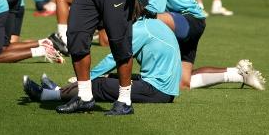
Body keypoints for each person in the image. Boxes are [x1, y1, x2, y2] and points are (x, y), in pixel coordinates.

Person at [23, 14, 182, 109]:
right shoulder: (148, 24)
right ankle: (58, 89)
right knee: (110, 78)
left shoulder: (139, 30)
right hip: (161, 88)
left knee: (98, 84)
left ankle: (47, 95)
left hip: (158, 91)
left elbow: (116, 57)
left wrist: (87, 77)